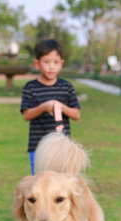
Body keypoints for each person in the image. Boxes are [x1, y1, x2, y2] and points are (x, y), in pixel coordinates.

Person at [20, 39, 81, 174]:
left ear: (62, 63)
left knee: (62, 185)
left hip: (61, 148)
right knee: (40, 184)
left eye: (56, 62)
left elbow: (76, 115)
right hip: (38, 147)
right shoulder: (30, 87)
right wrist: (44, 107)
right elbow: (26, 115)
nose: (51, 67)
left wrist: (61, 107)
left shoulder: (66, 87)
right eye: (46, 62)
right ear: (37, 64)